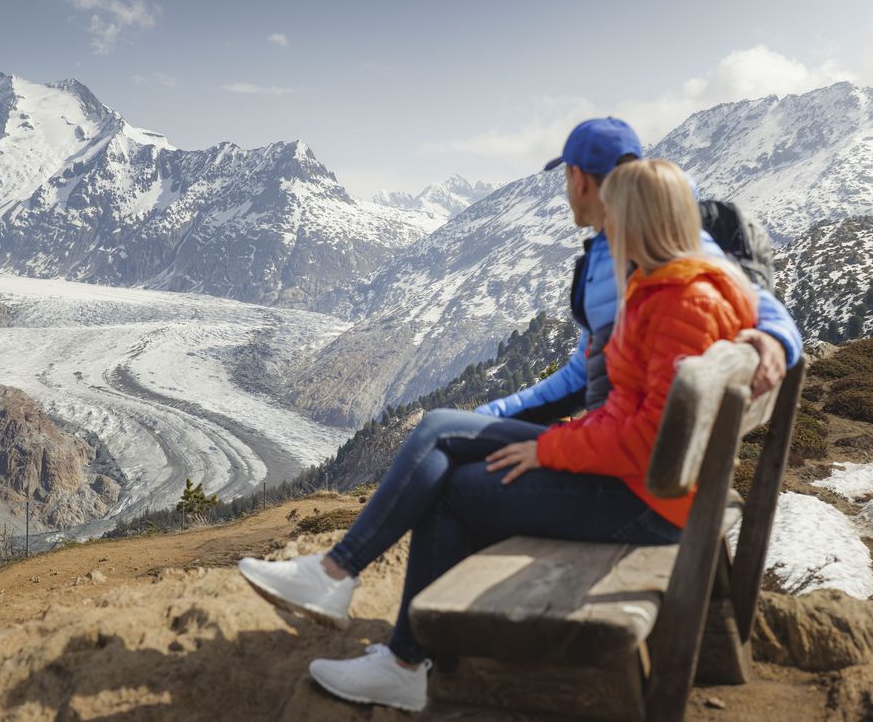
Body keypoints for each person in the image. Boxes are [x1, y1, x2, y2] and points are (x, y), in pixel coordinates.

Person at [238, 158, 761, 712]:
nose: (605, 226)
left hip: (648, 502)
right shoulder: (677, 286)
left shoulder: (682, 301)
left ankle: (391, 646)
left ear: (642, 219)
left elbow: (649, 440)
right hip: (651, 486)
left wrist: (546, 447)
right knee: (442, 429)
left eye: (616, 214)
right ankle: (351, 596)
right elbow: (635, 417)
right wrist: (562, 436)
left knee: (453, 491)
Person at [473, 119, 801, 427]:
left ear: (579, 178)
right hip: (627, 441)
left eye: (567, 178)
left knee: (438, 438)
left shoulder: (664, 244)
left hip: (618, 454)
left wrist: (776, 337)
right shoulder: (648, 240)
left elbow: (585, 382)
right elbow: (590, 371)